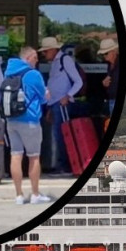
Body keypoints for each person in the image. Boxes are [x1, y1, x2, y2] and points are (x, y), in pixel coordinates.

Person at [4, 46, 51, 204]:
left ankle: (19, 195)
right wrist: (46, 94)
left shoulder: (8, 73)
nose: (37, 61)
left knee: (15, 155)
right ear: (28, 57)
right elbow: (43, 98)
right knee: (34, 157)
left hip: (11, 120)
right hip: (30, 120)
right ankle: (35, 194)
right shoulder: (33, 74)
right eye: (35, 58)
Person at [40, 36, 83, 177]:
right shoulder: (55, 63)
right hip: (56, 104)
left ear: (53, 50)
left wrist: (68, 96)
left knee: (63, 135)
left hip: (62, 104)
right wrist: (50, 106)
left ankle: (65, 166)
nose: (44, 54)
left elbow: (78, 81)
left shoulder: (65, 60)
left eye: (45, 51)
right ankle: (62, 165)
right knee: (58, 135)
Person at [98, 38, 120, 115]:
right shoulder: (109, 64)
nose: (104, 56)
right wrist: (105, 84)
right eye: (102, 54)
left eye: (106, 53)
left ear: (113, 51)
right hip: (111, 100)